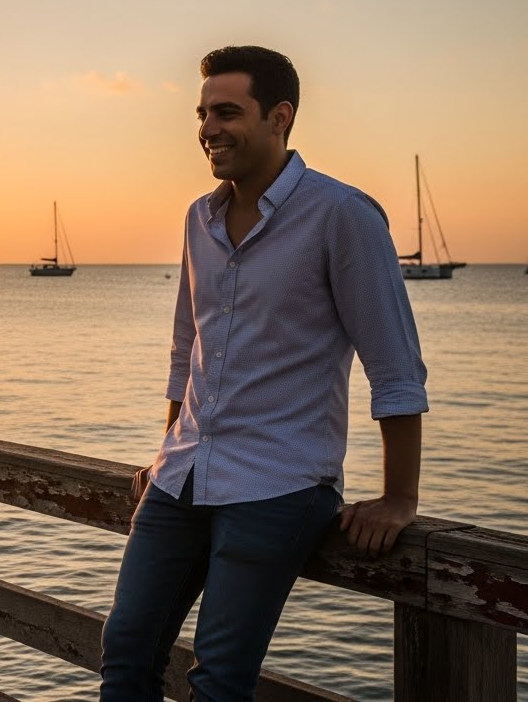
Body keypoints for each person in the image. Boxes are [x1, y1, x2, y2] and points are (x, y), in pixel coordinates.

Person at [99, 46, 428, 701]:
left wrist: (397, 497)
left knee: (219, 680)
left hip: (277, 486)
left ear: (279, 117)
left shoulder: (341, 215)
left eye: (226, 111)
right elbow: (184, 351)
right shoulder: (200, 217)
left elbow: (393, 366)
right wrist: (167, 449)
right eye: (200, 113)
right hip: (181, 478)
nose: (207, 128)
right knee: (124, 654)